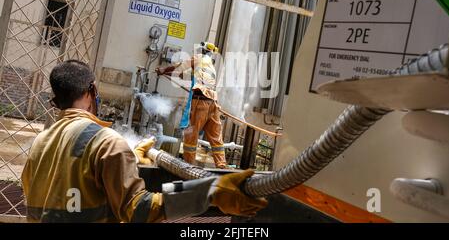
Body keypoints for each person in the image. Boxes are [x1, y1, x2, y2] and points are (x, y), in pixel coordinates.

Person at [21, 60, 267, 222]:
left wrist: (126, 160)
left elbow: (67, 191)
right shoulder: (106, 143)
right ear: (91, 92)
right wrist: (208, 191)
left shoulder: (39, 143)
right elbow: (140, 209)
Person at [156, 42, 226, 168]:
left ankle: (189, 166)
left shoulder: (198, 58)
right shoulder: (210, 65)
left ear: (202, 51)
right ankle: (221, 165)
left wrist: (163, 70)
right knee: (215, 137)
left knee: (190, 134)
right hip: (213, 103)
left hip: (201, 102)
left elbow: (178, 68)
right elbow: (187, 74)